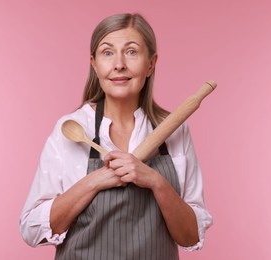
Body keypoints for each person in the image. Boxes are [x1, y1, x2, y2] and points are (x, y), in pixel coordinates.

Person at [19, 13, 212, 260]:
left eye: (131, 52)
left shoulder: (174, 129)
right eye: (107, 53)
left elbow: (190, 237)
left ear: (151, 63)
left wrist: (155, 180)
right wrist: (96, 180)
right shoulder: (73, 128)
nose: (119, 64)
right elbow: (32, 230)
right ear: (94, 63)